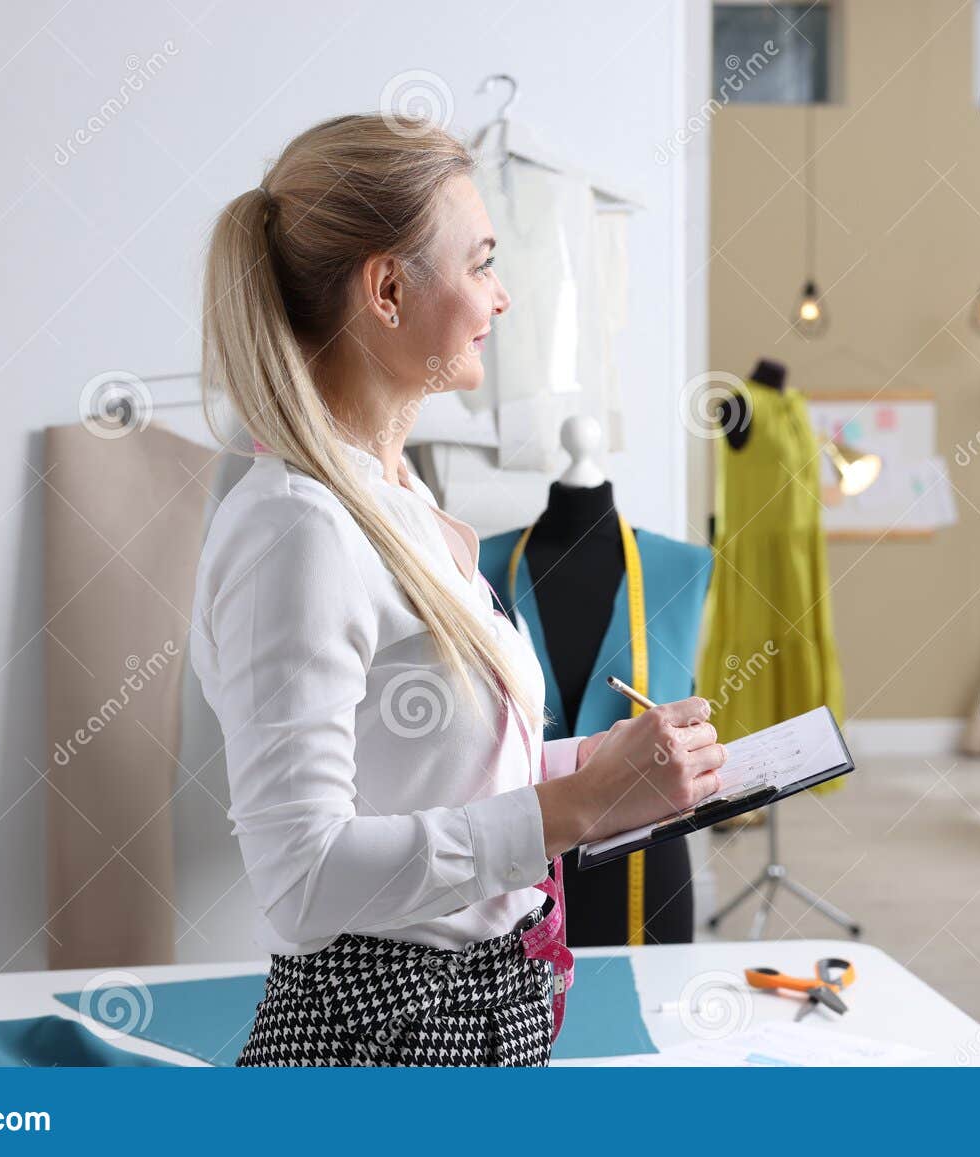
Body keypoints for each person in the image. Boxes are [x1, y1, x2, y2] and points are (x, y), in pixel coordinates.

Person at [190, 112, 726, 1067]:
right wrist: (575, 809)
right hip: (386, 1039)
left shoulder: (396, 499)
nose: (503, 295)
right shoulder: (297, 531)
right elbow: (302, 878)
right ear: (389, 289)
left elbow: (429, 775)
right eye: (480, 262)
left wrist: (592, 769)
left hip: (484, 1012)